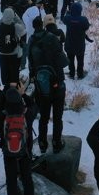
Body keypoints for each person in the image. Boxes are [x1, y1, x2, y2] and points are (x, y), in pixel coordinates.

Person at [29, 16, 68, 153]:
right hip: (57, 82)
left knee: (43, 117)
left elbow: (31, 65)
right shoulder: (52, 38)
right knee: (57, 117)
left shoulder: (31, 40)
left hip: (41, 85)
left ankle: (42, 143)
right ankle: (57, 142)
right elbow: (64, 62)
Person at [0, 86, 37, 195]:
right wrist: (24, 94)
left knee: (11, 180)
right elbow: (34, 105)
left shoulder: (3, 115)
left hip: (9, 153)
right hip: (25, 151)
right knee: (27, 177)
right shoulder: (27, 113)